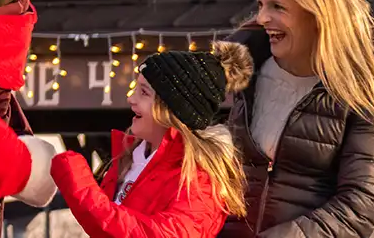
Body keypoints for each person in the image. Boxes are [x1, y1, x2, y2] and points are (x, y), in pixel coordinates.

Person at [220, 0, 374, 237]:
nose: (261, 18)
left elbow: (361, 206)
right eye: (260, 4)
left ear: (317, 13)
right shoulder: (250, 68)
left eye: (277, 7)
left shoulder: (370, 83)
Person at [51, 43, 254, 238]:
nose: (131, 99)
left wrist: (81, 187)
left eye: (144, 92)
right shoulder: (130, 158)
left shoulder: (199, 179)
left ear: (172, 111)